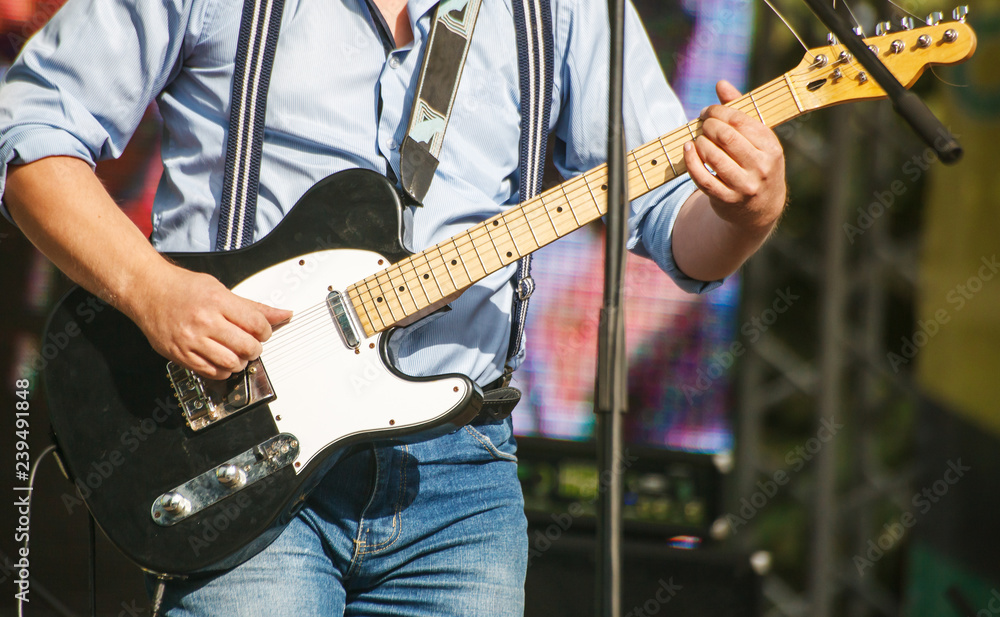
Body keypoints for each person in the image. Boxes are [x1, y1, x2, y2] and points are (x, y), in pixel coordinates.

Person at [0, 0, 785, 614]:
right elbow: (26, 135)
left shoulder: (563, 9)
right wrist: (152, 288)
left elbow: (675, 228)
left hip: (461, 480)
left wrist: (747, 211)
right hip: (236, 446)